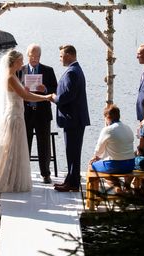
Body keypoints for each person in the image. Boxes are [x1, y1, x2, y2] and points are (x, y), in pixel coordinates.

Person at [0, 50, 52, 193]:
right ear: (15, 62)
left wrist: (26, 91)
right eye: (21, 60)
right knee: (11, 148)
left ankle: (13, 178)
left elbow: (23, 93)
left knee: (16, 148)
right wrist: (46, 98)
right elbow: (26, 96)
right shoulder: (10, 77)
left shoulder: (14, 76)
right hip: (14, 117)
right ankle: (7, 179)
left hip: (18, 115)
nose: (23, 63)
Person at [50, 45, 90, 192]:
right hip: (75, 118)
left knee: (72, 151)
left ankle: (72, 183)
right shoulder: (75, 70)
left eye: (61, 56)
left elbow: (67, 96)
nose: (60, 59)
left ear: (69, 55)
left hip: (73, 119)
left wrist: (54, 98)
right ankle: (71, 179)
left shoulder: (72, 72)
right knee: (72, 151)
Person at [18, 44, 58, 184]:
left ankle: (45, 174)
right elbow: (14, 89)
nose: (34, 59)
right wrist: (23, 89)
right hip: (25, 112)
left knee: (44, 144)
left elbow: (55, 89)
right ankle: (24, 173)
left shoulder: (48, 70)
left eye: (37, 56)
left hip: (42, 113)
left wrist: (45, 88)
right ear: (27, 55)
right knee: (25, 143)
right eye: (32, 56)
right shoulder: (20, 70)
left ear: (40, 57)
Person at [88, 104, 135, 193]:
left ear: (107, 117)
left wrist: (95, 157)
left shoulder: (107, 130)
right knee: (115, 165)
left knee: (92, 166)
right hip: (130, 164)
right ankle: (126, 186)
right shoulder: (128, 128)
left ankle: (116, 187)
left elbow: (98, 150)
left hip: (114, 165)